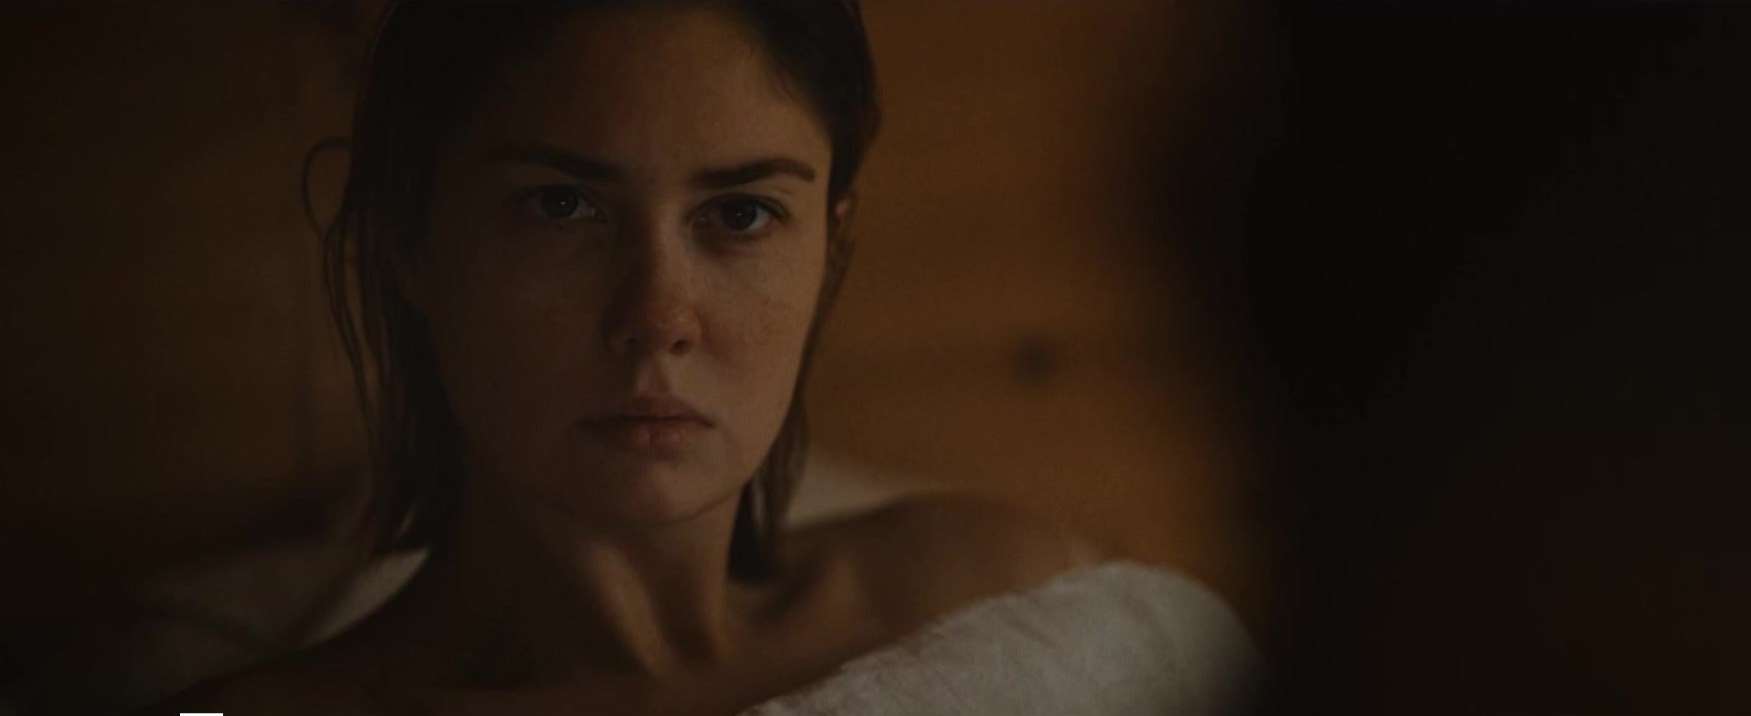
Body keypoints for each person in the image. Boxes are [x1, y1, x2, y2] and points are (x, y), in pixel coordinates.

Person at [149, 1, 1253, 713]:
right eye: (562, 205)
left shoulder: (1015, 600)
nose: (658, 317)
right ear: (408, 241)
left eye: (740, 215)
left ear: (830, 246)